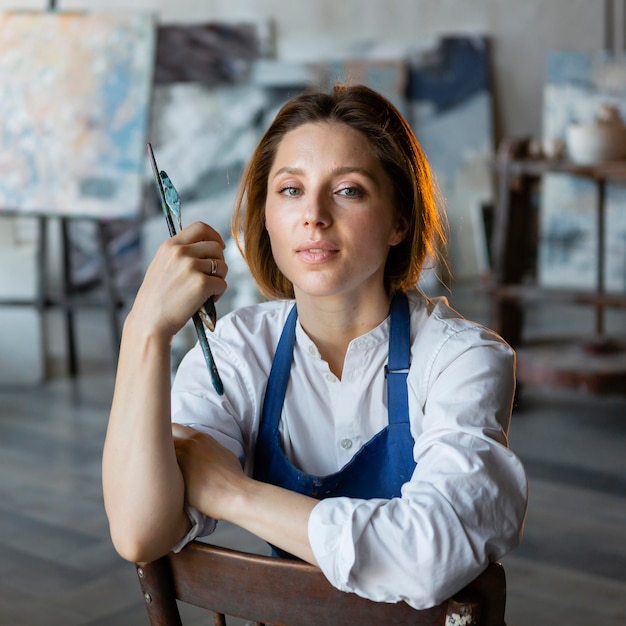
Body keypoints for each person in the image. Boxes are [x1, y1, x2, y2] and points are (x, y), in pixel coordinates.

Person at [103, 83, 528, 609]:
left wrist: (234, 492)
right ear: (265, 215)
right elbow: (140, 533)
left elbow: (429, 554)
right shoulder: (239, 351)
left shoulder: (460, 359)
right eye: (290, 190)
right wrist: (143, 330)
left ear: (399, 220)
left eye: (348, 190)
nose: (315, 215)